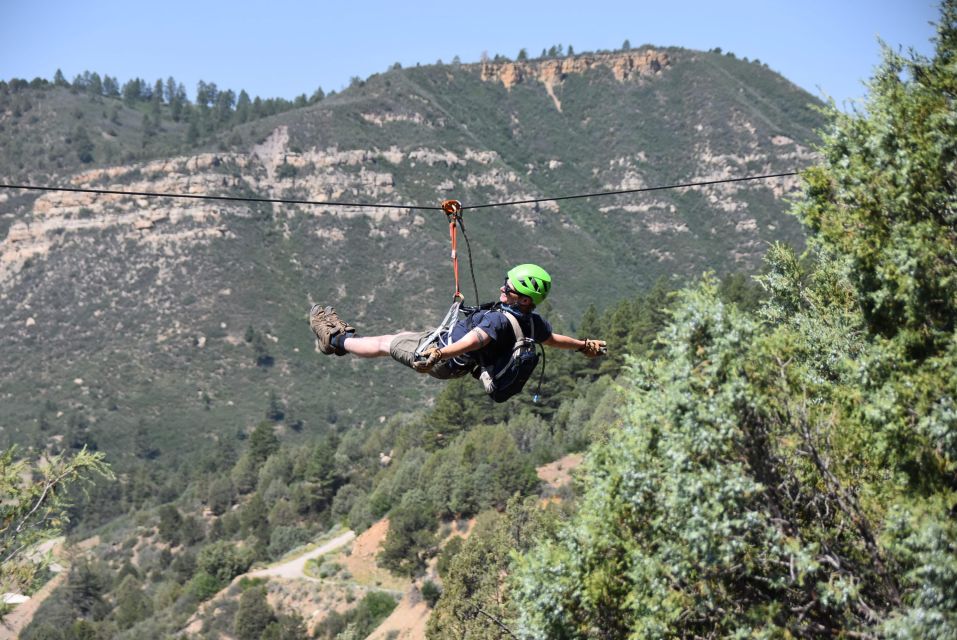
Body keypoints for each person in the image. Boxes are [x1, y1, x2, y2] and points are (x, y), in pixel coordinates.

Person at [309, 264, 606, 385]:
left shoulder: (498, 321)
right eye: (505, 284)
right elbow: (553, 339)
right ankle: (338, 339)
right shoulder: (532, 322)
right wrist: (583, 346)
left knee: (387, 343)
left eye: (510, 290)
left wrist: (441, 353)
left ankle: (333, 339)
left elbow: (475, 340)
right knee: (395, 337)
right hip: (447, 352)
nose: (503, 290)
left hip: (440, 356)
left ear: (525, 299)